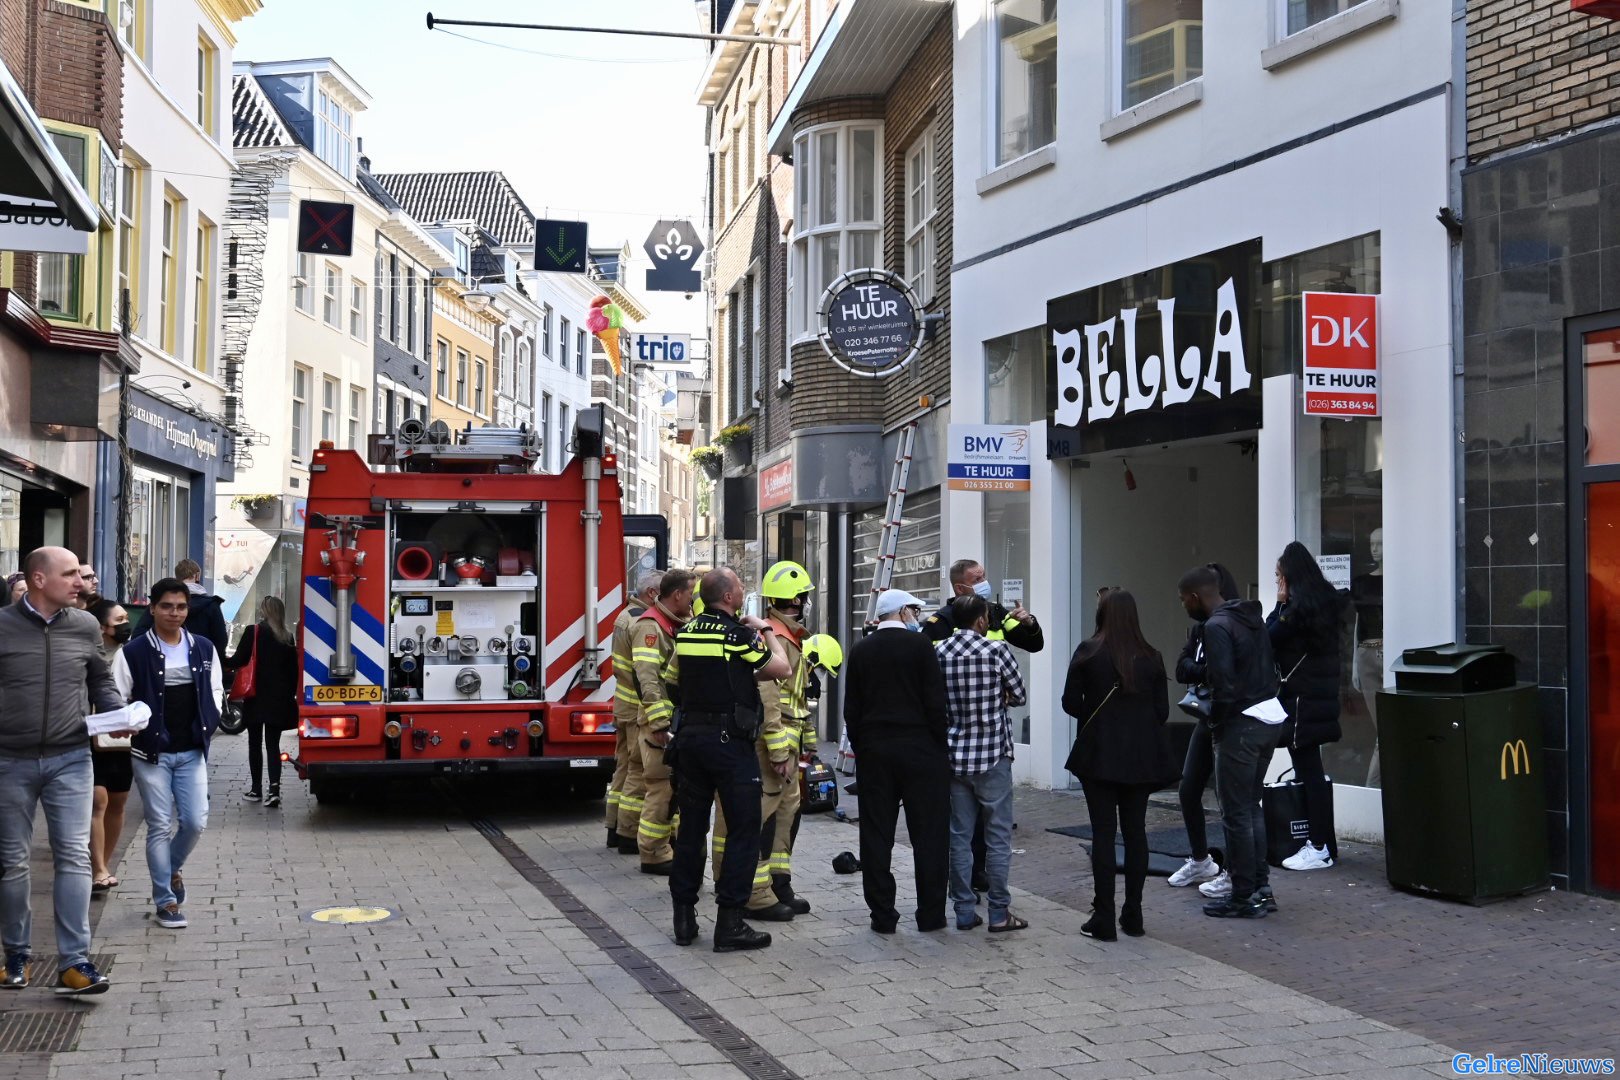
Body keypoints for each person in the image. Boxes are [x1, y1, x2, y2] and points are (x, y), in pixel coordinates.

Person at [0, 547, 120, 994]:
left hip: (71, 757)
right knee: (12, 863)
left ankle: (74, 963)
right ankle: (16, 956)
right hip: (9, 759)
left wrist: (117, 715)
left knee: (73, 855)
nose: (80, 581)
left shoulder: (86, 625)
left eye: (80, 574)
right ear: (37, 579)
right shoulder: (3, 626)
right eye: (69, 574)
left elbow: (99, 680)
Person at [663, 568, 790, 952]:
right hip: (729, 746)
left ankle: (684, 918)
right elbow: (780, 668)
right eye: (740, 588)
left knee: (690, 830)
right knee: (743, 830)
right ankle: (731, 924)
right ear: (731, 598)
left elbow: (672, 682)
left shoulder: (685, 632)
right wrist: (765, 629)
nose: (743, 591)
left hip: (691, 743)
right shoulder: (737, 636)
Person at [923, 559, 1044, 896]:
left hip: (968, 743)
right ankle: (987, 894)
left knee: (968, 825)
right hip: (976, 741)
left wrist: (1029, 622)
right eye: (977, 579)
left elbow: (1033, 643)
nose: (984, 582)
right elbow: (929, 679)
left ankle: (968, 887)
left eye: (984, 576)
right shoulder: (939, 624)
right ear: (961, 587)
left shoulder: (997, 612)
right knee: (980, 825)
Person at [1063, 589, 1175, 941]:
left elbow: (1070, 702)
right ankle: (1134, 913)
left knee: (1103, 832)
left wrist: (1099, 718)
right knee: (1136, 832)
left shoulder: (1088, 651)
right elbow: (1162, 712)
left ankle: (1104, 915)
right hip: (1140, 757)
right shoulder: (1152, 656)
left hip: (1099, 754)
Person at [113, 577, 224, 930]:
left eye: (180, 607)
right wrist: (131, 722)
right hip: (151, 754)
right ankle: (166, 900)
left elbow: (216, 688)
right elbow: (117, 697)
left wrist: (212, 717)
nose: (174, 613)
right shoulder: (132, 652)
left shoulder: (203, 648)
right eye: (167, 606)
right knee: (159, 824)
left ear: (187, 609)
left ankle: (171, 868)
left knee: (195, 821)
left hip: (192, 750)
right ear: (153, 607)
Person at [843, 588, 951, 934]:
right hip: (920, 750)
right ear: (903, 611)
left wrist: (863, 747)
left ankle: (883, 915)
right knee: (929, 834)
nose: (917, 617)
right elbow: (936, 703)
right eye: (915, 611)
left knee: (876, 833)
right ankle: (930, 915)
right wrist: (938, 745)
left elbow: (852, 710)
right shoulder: (921, 647)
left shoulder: (861, 650)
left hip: (875, 751)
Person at [1178, 565, 1279, 919]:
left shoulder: (1217, 627)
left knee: (1236, 813)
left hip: (1239, 726)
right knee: (1251, 808)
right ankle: (1260, 889)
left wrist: (1218, 724)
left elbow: (1223, 685)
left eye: (1183, 601)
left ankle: (1242, 895)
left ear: (1195, 597)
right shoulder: (1252, 619)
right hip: (1268, 719)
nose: (1184, 607)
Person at [936, 594, 1028, 933]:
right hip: (993, 755)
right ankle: (1000, 913)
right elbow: (1019, 694)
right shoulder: (995, 651)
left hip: (955, 756)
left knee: (959, 835)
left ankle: (963, 911)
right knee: (998, 836)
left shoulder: (940, 652)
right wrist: (999, 696)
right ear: (980, 621)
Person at [1269, 542, 1345, 871]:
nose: (1277, 583)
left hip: (1302, 701)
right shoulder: (1322, 604)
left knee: (1310, 771)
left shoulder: (1295, 612)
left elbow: (1267, 639)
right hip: (1317, 697)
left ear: (1290, 577)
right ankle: (1322, 842)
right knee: (1310, 771)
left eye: (1278, 577)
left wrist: (1279, 602)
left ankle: (1318, 846)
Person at [1168, 563, 1241, 892]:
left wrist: (1206, 670)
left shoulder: (1230, 624)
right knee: (1188, 789)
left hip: (1229, 718)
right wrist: (1205, 669)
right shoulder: (1201, 629)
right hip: (1206, 716)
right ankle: (1201, 861)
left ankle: (1235, 870)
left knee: (1232, 798)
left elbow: (1226, 672)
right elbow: (1183, 667)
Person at [631, 569, 697, 874]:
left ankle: (665, 846)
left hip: (673, 723)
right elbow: (647, 678)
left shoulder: (673, 623)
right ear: (678, 595)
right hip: (659, 725)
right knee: (660, 789)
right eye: (691, 593)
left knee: (673, 789)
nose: (694, 598)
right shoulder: (651, 627)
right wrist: (659, 724)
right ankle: (653, 853)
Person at [225, 596, 300, 807]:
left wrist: (219, 658)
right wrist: (287, 697)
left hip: (256, 698)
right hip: (278, 700)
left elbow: (238, 660)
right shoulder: (288, 637)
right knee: (273, 746)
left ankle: (256, 789)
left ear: (264, 611)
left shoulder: (254, 632)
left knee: (254, 744)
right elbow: (292, 672)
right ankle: (274, 789)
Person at [607, 570, 663, 851]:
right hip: (635, 707)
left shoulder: (626, 616)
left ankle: (615, 828)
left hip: (626, 705)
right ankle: (626, 833)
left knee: (625, 768)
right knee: (636, 770)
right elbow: (633, 670)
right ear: (652, 594)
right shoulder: (639, 620)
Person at [88, 598, 134, 894]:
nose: (125, 625)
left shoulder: (129, 654)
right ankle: (98, 869)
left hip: (122, 741)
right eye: (119, 621)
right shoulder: (87, 653)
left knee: (117, 803)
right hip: (88, 738)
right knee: (98, 801)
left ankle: (104, 864)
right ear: (102, 626)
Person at [133, 559, 229, 657]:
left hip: (161, 660)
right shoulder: (211, 605)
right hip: (201, 661)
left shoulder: (159, 605)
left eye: (182, 607)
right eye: (167, 606)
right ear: (197, 575)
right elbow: (220, 641)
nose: (175, 613)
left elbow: (138, 635)